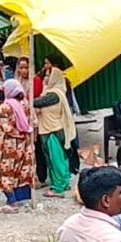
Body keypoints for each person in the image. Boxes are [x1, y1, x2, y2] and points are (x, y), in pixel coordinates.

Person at [35, 55, 76, 198]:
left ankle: (58, 188)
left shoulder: (54, 95)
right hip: (53, 129)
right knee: (60, 159)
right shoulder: (54, 92)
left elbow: (36, 102)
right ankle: (63, 183)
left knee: (56, 160)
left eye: (49, 75)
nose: (46, 77)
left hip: (52, 131)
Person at [0, 81, 36, 213]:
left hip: (10, 145)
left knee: (6, 171)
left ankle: (12, 201)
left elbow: (6, 127)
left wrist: (17, 134)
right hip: (26, 144)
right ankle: (24, 198)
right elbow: (34, 122)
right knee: (23, 170)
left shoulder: (5, 106)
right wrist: (26, 133)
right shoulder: (26, 104)